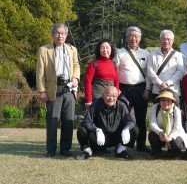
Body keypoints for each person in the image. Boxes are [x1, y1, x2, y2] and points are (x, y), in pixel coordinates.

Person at [36, 23, 80, 157]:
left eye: (63, 33)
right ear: (53, 34)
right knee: (52, 121)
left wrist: (75, 78)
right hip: (53, 89)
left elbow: (76, 65)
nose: (60, 36)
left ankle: (65, 149)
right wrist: (42, 91)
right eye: (57, 33)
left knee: (68, 121)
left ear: (66, 35)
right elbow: (40, 72)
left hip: (69, 89)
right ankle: (50, 150)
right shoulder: (44, 50)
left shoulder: (72, 49)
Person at [76, 86, 138, 160]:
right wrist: (96, 129)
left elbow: (130, 121)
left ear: (117, 96)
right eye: (108, 95)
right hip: (98, 138)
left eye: (114, 96)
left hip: (115, 137)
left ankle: (121, 150)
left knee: (134, 129)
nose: (111, 98)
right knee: (81, 130)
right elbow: (86, 122)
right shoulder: (95, 104)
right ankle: (87, 151)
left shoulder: (121, 105)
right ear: (103, 95)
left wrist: (126, 129)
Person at [116, 26, 151, 153]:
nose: (133, 38)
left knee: (141, 118)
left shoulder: (146, 54)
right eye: (130, 35)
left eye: (136, 36)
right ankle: (120, 144)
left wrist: (148, 89)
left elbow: (148, 73)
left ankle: (141, 144)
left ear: (140, 38)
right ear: (126, 37)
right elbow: (116, 72)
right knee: (123, 117)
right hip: (124, 89)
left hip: (141, 88)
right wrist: (117, 89)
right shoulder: (119, 53)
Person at [146, 89, 187, 160]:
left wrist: (170, 138)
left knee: (177, 143)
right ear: (159, 101)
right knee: (152, 135)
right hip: (161, 133)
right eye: (163, 100)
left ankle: (176, 153)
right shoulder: (155, 107)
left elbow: (177, 128)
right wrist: (160, 132)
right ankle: (156, 152)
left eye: (168, 100)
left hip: (174, 134)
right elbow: (152, 123)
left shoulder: (176, 110)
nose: (165, 102)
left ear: (172, 101)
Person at [147, 29, 184, 104]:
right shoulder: (152, 54)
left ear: (173, 41)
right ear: (160, 40)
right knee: (157, 113)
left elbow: (180, 72)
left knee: (174, 113)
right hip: (157, 90)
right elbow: (149, 71)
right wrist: (160, 83)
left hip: (173, 90)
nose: (166, 41)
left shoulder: (178, 55)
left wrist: (167, 83)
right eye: (163, 39)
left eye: (168, 39)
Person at [84, 39, 119, 110]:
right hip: (97, 97)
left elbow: (116, 82)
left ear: (111, 49)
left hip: (111, 98)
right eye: (102, 48)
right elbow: (87, 82)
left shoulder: (114, 64)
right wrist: (88, 100)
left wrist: (116, 96)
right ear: (99, 50)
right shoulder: (94, 63)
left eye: (107, 47)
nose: (105, 50)